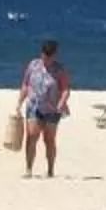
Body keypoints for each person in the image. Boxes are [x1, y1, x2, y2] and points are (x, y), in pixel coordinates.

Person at [18, 39, 70, 177]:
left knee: (49, 140)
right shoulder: (33, 65)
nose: (46, 59)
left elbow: (65, 89)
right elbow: (25, 84)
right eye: (45, 56)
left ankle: (50, 170)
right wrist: (19, 102)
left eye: (49, 56)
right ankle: (29, 169)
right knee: (31, 136)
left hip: (52, 109)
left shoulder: (59, 70)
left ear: (54, 55)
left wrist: (62, 102)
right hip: (34, 106)